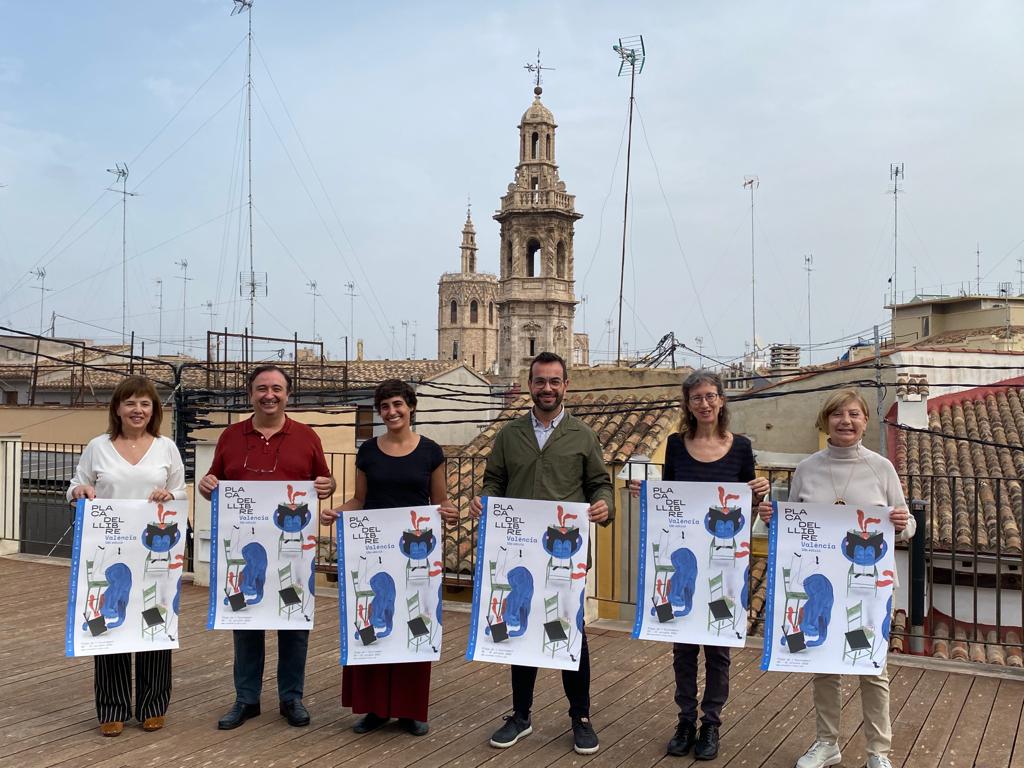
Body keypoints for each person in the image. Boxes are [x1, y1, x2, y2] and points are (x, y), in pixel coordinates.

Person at [757, 389, 914, 768]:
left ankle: (879, 752)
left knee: (871, 668)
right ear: (825, 420)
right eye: (838, 414)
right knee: (824, 665)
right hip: (820, 586)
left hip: (867, 590)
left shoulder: (882, 467)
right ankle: (827, 743)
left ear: (864, 421)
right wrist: (771, 519)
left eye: (854, 414)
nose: (846, 420)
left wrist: (900, 523)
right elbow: (795, 523)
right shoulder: (808, 468)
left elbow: (907, 524)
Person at [470, 351, 614, 756]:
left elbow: (600, 484)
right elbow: (494, 481)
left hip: (564, 555)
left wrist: (605, 506)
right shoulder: (509, 434)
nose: (547, 388)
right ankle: (521, 715)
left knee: (571, 632)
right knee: (520, 628)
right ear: (529, 384)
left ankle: (580, 717)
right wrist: (486, 500)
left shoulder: (583, 435)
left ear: (565, 386)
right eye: (540, 381)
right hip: (517, 552)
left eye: (554, 381)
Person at [629, 370, 769, 760]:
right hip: (684, 563)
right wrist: (649, 493)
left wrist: (760, 492)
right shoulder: (675, 445)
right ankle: (685, 719)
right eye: (696, 398)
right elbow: (669, 502)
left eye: (710, 396)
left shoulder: (741, 447)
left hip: (724, 566)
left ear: (722, 400)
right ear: (687, 404)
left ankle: (711, 723)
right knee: (684, 646)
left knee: (719, 649)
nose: (704, 404)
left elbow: (749, 508)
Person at [198, 364, 336, 731]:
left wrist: (328, 486)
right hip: (246, 551)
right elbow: (216, 481)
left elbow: (325, 480)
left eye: (276, 388)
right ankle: (247, 699)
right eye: (262, 388)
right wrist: (207, 484)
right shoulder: (230, 436)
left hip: (292, 552)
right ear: (250, 394)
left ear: (288, 394)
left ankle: (292, 697)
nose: (269, 395)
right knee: (246, 622)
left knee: (294, 625)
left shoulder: (307, 437)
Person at [320, 379, 458, 736]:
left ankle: (411, 711)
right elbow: (360, 501)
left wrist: (451, 511)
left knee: (415, 620)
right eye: (384, 407)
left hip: (416, 554)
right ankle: (375, 709)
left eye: (398, 404)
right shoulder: (367, 451)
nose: (392, 412)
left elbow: (440, 502)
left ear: (410, 407)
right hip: (373, 551)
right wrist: (338, 512)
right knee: (373, 618)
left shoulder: (431, 451)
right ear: (379, 412)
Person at [67, 376, 187, 737]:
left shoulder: (167, 447)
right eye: (130, 403)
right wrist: (81, 490)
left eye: (145, 403)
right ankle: (112, 707)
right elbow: (73, 489)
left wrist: (170, 497)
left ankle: (153, 705)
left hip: (156, 550)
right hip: (108, 549)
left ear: (154, 410)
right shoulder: (97, 446)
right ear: (117, 408)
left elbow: (181, 493)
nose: (138, 410)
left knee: (153, 616)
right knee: (110, 615)